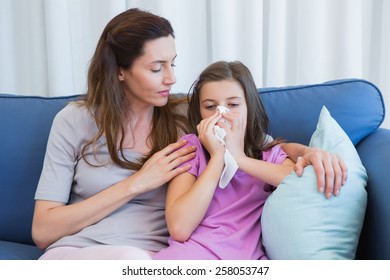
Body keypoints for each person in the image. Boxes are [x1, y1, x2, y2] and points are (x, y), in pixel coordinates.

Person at [32, 8, 346, 260]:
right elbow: (43, 231)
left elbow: (256, 144)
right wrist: (137, 183)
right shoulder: (74, 121)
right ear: (119, 71)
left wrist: (309, 152)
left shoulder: (188, 115)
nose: (171, 78)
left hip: (158, 259)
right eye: (156, 68)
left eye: (173, 63)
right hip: (78, 255)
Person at [152, 60, 300, 259]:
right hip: (190, 256)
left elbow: (301, 183)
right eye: (210, 106)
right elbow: (179, 228)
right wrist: (217, 157)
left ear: (249, 106)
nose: (221, 114)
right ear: (200, 112)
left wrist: (239, 158)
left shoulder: (268, 154)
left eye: (233, 105)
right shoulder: (190, 149)